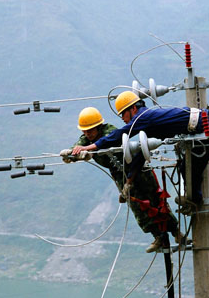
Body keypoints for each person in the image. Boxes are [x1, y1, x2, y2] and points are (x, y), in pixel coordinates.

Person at [71, 91, 209, 207]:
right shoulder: (150, 120)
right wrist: (129, 182)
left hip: (203, 126)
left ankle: (193, 199)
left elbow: (119, 135)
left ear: (131, 110)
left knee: (188, 166)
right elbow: (139, 154)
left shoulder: (142, 118)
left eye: (123, 114)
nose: (123, 119)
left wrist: (90, 146)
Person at [60, 107, 186, 253]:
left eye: (90, 130)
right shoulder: (86, 138)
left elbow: (106, 142)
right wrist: (71, 153)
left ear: (98, 126)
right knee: (138, 207)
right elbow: (78, 146)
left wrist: (90, 150)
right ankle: (159, 237)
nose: (87, 134)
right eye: (85, 131)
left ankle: (176, 232)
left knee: (156, 201)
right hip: (120, 176)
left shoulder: (110, 131)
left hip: (138, 170)